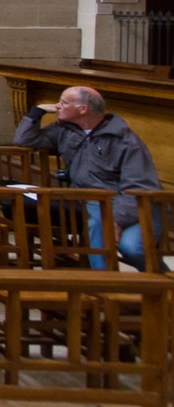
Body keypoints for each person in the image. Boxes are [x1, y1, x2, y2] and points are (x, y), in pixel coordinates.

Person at [14, 86, 164, 271]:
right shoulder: (65, 130)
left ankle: (164, 281)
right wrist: (37, 112)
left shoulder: (123, 139)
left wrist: (117, 220)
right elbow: (24, 140)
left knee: (132, 248)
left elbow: (139, 186)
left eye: (63, 103)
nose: (57, 106)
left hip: (134, 205)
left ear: (83, 109)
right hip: (89, 201)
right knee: (97, 223)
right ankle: (104, 281)